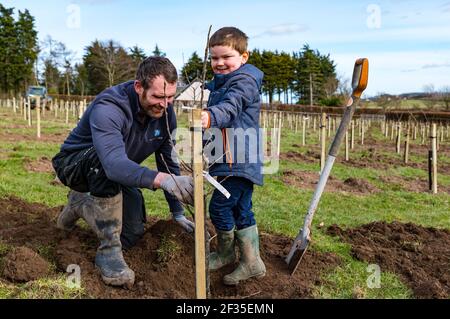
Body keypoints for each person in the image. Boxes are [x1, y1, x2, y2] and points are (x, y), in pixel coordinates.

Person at [52, 56, 194, 288]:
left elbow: (167, 161)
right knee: (105, 161)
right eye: (158, 96)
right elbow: (113, 163)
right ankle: (108, 252)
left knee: (132, 232)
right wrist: (161, 180)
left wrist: (177, 212)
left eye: (170, 97)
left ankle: (79, 205)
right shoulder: (110, 106)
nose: (165, 104)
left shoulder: (166, 112)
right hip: (75, 166)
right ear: (139, 86)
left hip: (115, 170)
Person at [201, 27, 266, 285]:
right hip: (228, 159)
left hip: (237, 160)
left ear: (244, 57)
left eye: (226, 57)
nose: (219, 63)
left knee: (219, 207)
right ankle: (252, 263)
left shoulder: (243, 82)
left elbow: (231, 106)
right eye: (214, 58)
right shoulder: (219, 84)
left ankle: (226, 253)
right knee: (241, 210)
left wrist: (210, 116)